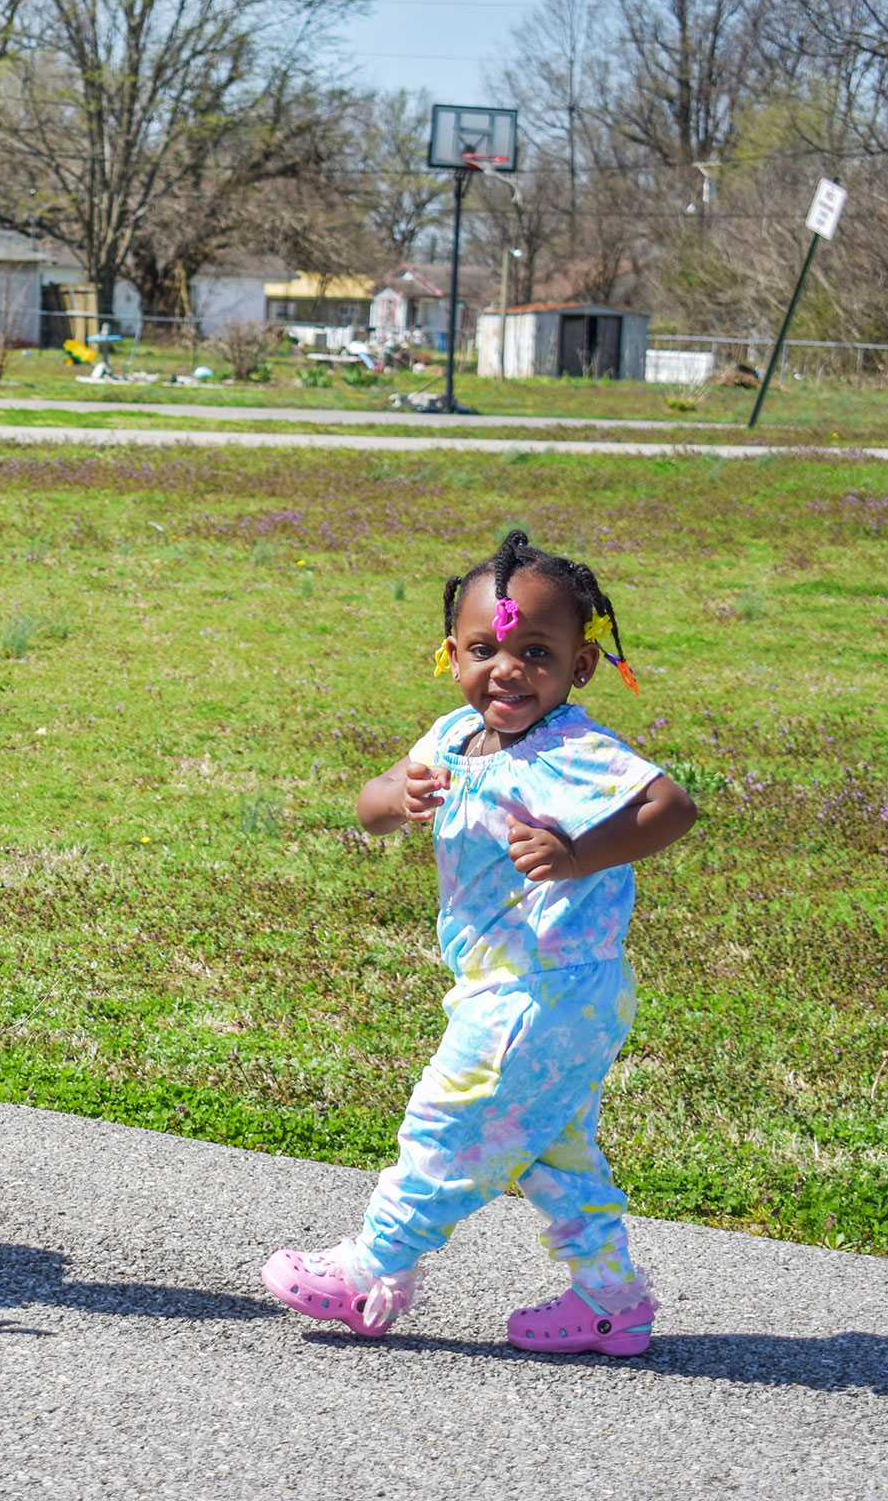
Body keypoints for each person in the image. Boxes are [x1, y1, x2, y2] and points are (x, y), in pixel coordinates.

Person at [260, 530, 695, 1355]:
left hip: (543, 990)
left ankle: (372, 1271)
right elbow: (369, 803)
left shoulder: (576, 754)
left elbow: (670, 808)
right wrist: (398, 795)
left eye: (537, 651)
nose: (508, 668)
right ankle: (610, 1302)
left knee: (449, 1121)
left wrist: (576, 855)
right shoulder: (453, 739)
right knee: (552, 1150)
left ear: (581, 665)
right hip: (529, 989)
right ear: (450, 653)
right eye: (484, 648)